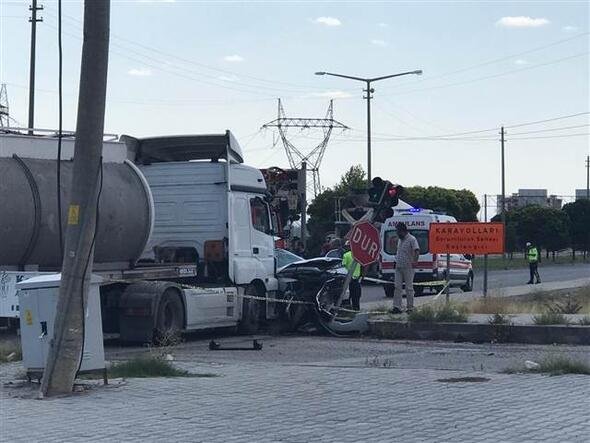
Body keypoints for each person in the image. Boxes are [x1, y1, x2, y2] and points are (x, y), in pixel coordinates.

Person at [391, 222, 420, 314]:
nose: (397, 234)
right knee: (397, 287)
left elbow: (417, 250)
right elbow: (398, 252)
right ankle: (397, 307)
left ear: (403, 231)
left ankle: (410, 307)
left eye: (398, 232)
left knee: (408, 287)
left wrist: (415, 261)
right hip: (399, 266)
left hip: (408, 267)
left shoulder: (412, 239)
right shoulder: (400, 240)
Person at [342, 241, 362, 311]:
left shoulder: (346, 255)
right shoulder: (358, 255)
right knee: (356, 297)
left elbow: (343, 266)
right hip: (357, 279)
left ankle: (348, 310)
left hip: (348, 279)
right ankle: (356, 309)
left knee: (347, 296)